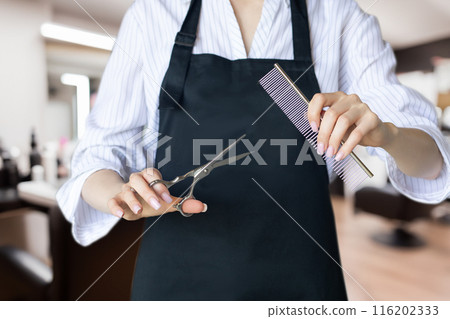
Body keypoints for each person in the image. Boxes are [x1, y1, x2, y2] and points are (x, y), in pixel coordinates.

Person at [57, 0, 450, 300]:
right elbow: (97, 154)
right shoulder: (154, 12)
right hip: (175, 282)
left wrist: (389, 135)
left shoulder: (337, 14)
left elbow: (433, 165)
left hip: (303, 281)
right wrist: (117, 192)